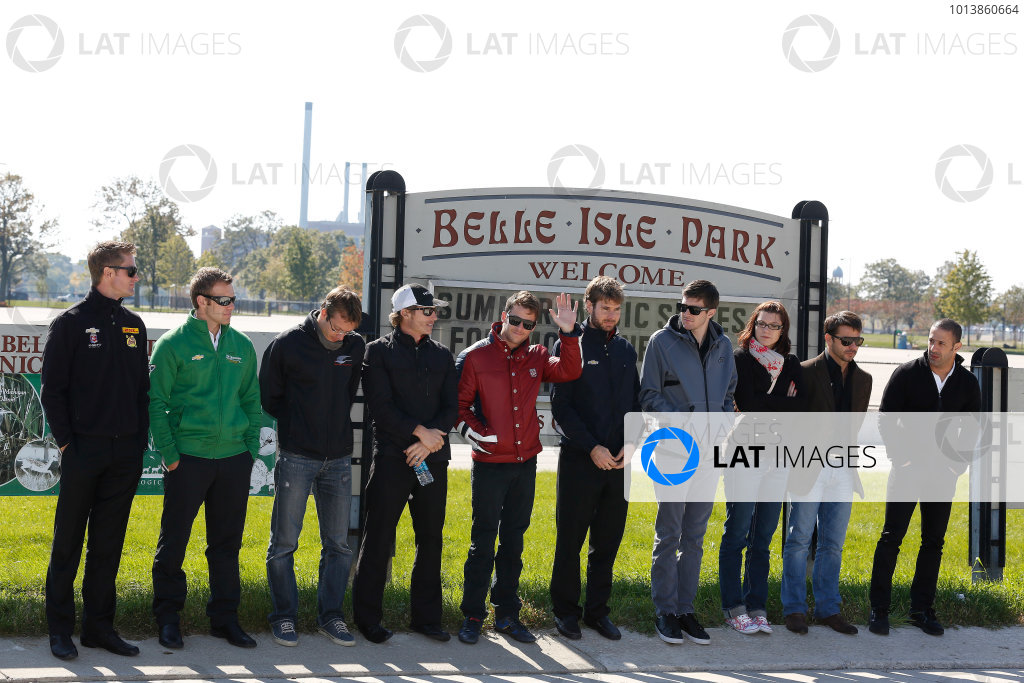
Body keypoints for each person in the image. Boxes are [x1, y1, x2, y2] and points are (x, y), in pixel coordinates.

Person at [40, 241, 149, 660]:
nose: (135, 278)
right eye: (131, 271)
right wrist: (68, 442)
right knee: (67, 542)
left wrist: (138, 442)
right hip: (83, 451)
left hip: (125, 454)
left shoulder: (134, 325)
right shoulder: (70, 323)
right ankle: (60, 630)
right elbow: (54, 391)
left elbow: (142, 390)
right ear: (108, 272)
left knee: (108, 544)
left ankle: (99, 628)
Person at [455, 290, 582, 645]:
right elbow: (460, 405)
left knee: (513, 543)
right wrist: (480, 435)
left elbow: (570, 370)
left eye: (528, 324)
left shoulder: (539, 355)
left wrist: (569, 334)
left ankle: (507, 614)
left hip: (526, 464)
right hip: (490, 466)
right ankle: (472, 614)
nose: (520, 329)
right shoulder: (477, 356)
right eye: (515, 321)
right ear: (503, 315)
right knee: (482, 542)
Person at [149, 268, 262, 650]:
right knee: (175, 541)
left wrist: (249, 450)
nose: (232, 306)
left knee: (227, 544)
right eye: (224, 300)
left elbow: (251, 401)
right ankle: (168, 619)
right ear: (202, 302)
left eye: (233, 299)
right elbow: (157, 404)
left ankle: (225, 619)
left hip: (233, 459)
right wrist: (170, 454)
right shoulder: (172, 345)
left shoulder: (242, 346)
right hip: (189, 460)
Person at [352, 284, 458, 644]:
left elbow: (452, 407)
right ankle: (368, 618)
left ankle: (426, 619)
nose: (433, 316)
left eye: (433, 311)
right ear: (405, 315)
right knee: (379, 536)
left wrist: (430, 441)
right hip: (392, 460)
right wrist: (419, 435)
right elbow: (381, 408)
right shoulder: (376, 353)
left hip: (431, 461)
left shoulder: (442, 355)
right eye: (426, 311)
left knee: (430, 538)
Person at [260, 287, 365, 647]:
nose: (340, 336)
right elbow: (269, 395)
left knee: (338, 544)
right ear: (323, 312)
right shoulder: (287, 343)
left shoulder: (354, 346)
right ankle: (283, 616)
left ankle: (330, 616)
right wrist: (298, 425)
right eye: (336, 328)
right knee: (284, 543)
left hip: (337, 457)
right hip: (296, 456)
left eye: (346, 331)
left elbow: (347, 393)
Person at [867, 318, 981, 637]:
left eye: (941, 343)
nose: (933, 348)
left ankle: (921, 610)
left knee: (933, 542)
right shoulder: (907, 374)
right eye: (931, 340)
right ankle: (879, 609)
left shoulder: (967, 383)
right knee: (891, 538)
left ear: (957, 347)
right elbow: (886, 418)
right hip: (906, 471)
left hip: (942, 474)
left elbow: (974, 428)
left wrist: (957, 465)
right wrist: (899, 458)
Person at [639, 279, 736, 646]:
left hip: (711, 453)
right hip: (673, 450)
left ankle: (685, 609)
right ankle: (664, 611)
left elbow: (729, 392)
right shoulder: (661, 343)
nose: (686, 313)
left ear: (711, 312)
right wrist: (683, 419)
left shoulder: (724, 346)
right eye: (683, 306)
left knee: (695, 536)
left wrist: (724, 421)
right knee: (669, 534)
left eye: (694, 309)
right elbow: (648, 394)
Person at [549, 277, 640, 641]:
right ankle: (565, 612)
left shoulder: (625, 350)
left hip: (619, 463)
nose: (611, 316)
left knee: (607, 542)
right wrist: (592, 447)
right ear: (590, 306)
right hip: (580, 459)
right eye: (605, 309)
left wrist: (631, 443)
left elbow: (635, 403)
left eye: (617, 310)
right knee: (570, 540)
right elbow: (562, 408)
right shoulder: (569, 344)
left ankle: (597, 612)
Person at [781, 311, 871, 636]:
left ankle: (828, 609)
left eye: (857, 341)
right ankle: (793, 609)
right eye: (846, 341)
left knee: (833, 544)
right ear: (828, 339)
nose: (853, 347)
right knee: (798, 540)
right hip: (808, 466)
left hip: (843, 469)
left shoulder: (865, 380)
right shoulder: (803, 373)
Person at [719, 301, 802, 635]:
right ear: (752, 325)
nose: (766, 330)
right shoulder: (740, 359)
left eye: (774, 326)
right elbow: (750, 404)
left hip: (778, 457)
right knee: (737, 532)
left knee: (763, 538)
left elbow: (799, 409)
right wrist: (782, 400)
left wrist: (776, 404)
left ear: (783, 330)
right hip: (744, 452)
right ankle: (732, 606)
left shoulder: (791, 363)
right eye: (761, 324)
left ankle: (757, 606)